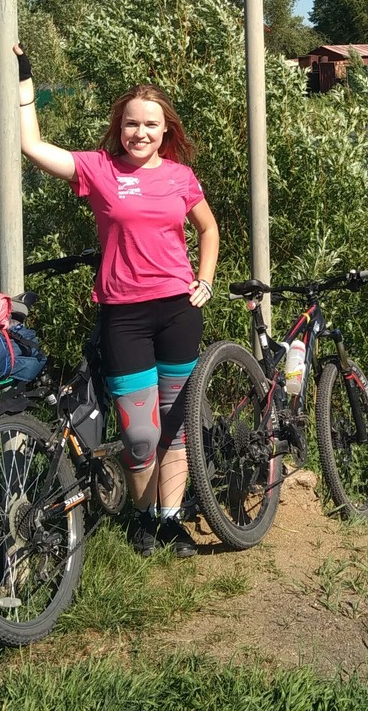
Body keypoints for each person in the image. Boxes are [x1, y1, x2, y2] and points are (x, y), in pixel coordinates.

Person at [14, 44, 219, 558]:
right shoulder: (101, 169)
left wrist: (206, 280)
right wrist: (23, 80)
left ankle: (166, 520)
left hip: (178, 311)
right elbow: (33, 148)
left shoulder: (179, 176)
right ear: (119, 126)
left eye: (151, 125)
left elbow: (209, 228)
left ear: (165, 130)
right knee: (140, 430)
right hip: (123, 316)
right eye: (132, 124)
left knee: (175, 424)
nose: (141, 133)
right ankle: (142, 513)